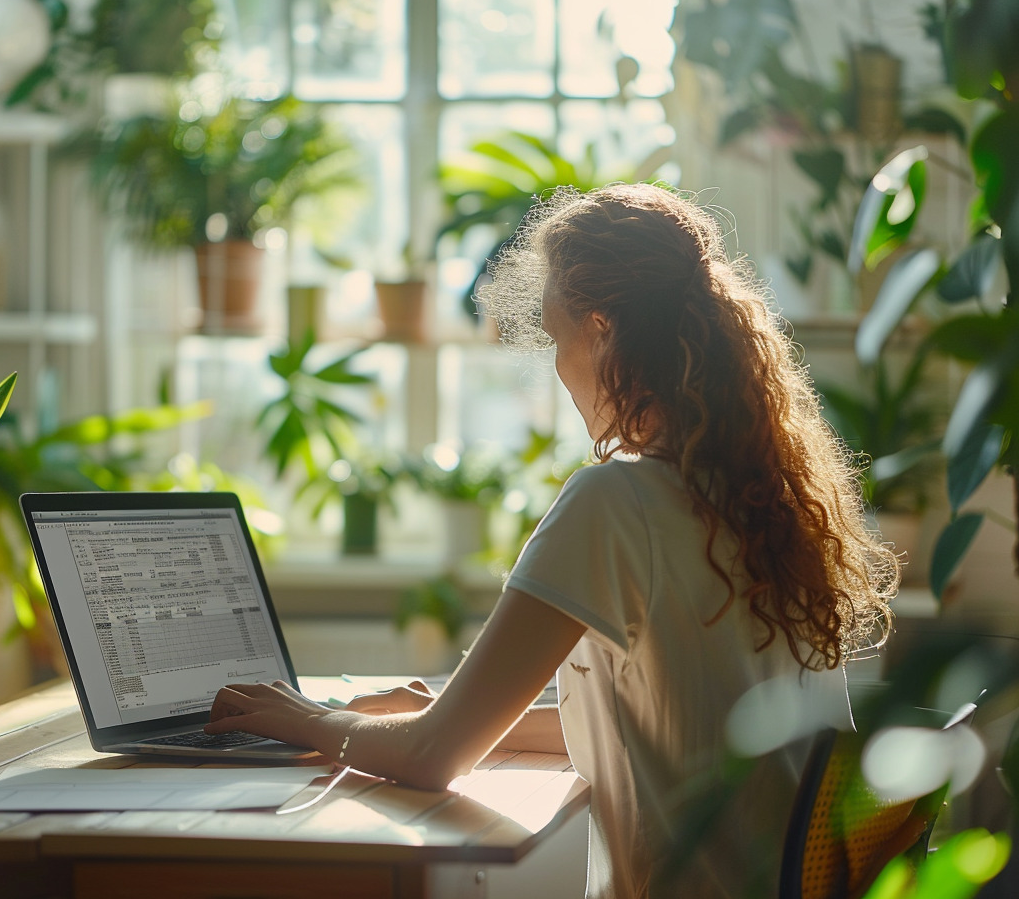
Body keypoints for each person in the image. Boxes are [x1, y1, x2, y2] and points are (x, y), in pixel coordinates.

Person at [205, 183, 897, 898]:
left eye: (555, 336)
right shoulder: (757, 501)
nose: (558, 368)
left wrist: (306, 718)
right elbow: (666, 724)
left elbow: (433, 759)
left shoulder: (614, 499)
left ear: (601, 329)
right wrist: (447, 712)